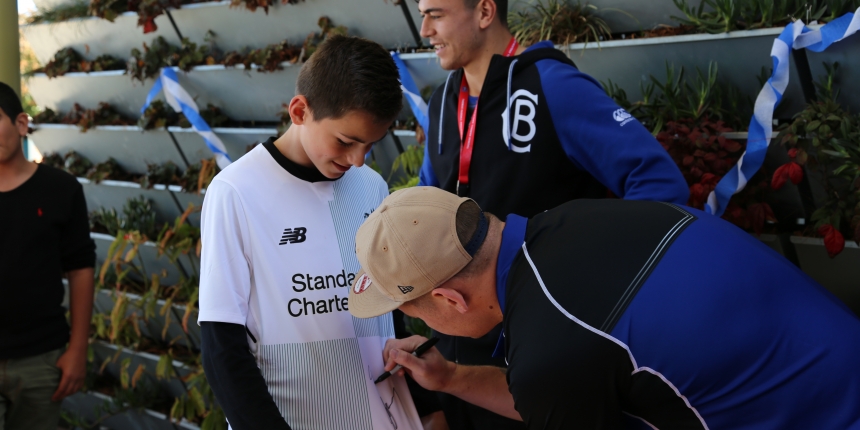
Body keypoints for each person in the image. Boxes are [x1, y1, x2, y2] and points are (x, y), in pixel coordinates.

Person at [348, 186, 860, 429]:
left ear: (449, 299)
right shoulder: (573, 217)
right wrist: (453, 379)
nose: (418, 322)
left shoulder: (554, 347)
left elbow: (558, 373)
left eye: (414, 311)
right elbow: (573, 377)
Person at [412, 1, 689, 427]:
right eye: (421, 13)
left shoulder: (550, 84)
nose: (425, 29)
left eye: (436, 13)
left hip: (547, 350)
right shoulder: (443, 101)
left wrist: (601, 290)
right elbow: (427, 208)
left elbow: (657, 183)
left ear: (485, 12)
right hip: (461, 344)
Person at [197, 36, 424, 429]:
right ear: (300, 111)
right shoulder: (235, 192)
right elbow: (222, 343)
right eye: (346, 141)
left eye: (370, 145)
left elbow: (391, 313)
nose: (357, 160)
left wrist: (429, 410)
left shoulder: (371, 187)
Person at [0, 82, 96, 429]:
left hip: (41, 356)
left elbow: (81, 269)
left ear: (21, 124)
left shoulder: (60, 189)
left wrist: (78, 349)